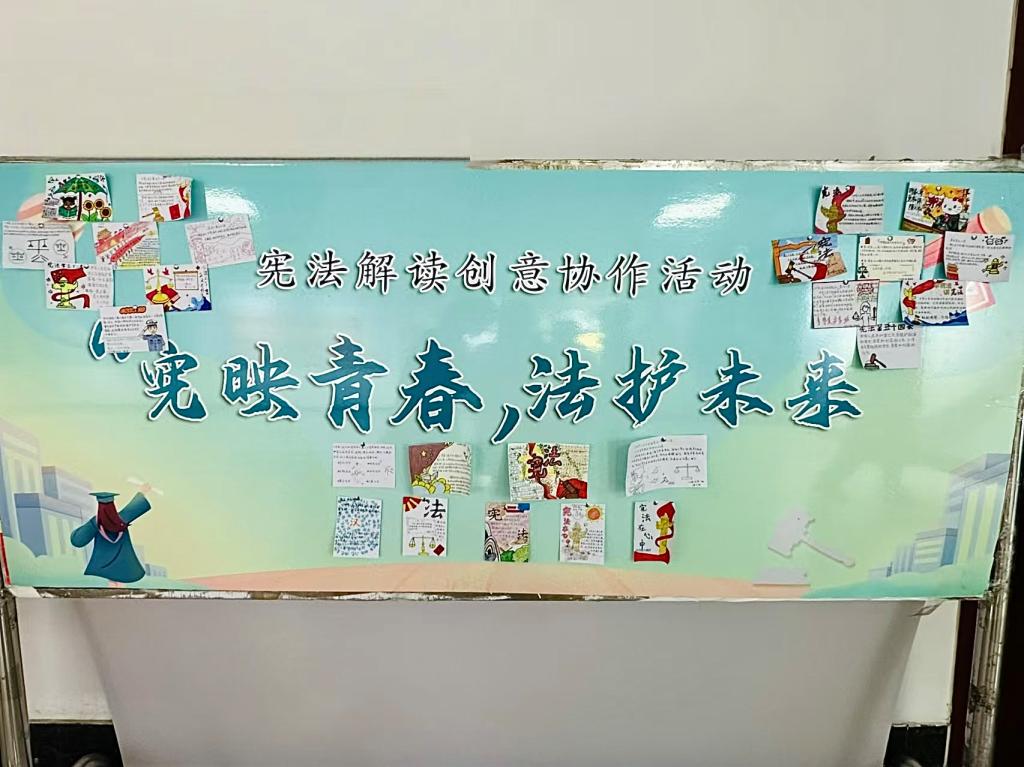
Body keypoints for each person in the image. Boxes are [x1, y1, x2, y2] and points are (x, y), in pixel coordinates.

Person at [70, 486, 153, 583]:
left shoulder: (95, 523)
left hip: (102, 568)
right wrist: (142, 492)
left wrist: (78, 531)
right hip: (125, 568)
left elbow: (77, 541)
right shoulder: (122, 518)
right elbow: (135, 507)